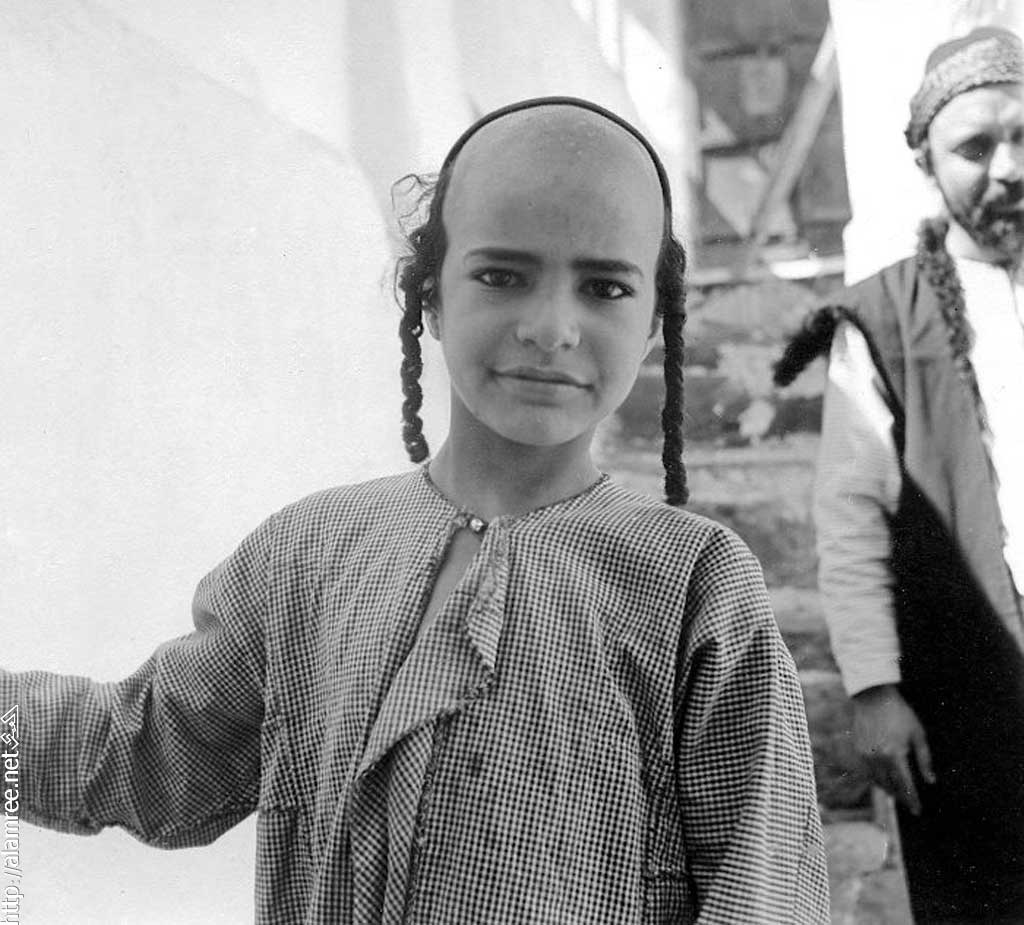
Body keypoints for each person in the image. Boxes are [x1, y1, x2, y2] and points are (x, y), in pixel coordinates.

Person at [3, 97, 828, 923]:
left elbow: (762, 893)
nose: (551, 328)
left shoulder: (693, 584)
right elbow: (141, 750)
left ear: (654, 322)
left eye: (604, 287)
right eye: (501, 276)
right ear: (429, 296)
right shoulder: (307, 554)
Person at [774, 27, 1024, 924]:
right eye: (975, 147)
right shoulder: (882, 319)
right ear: (926, 161)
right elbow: (850, 516)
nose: (1007, 169)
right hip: (972, 687)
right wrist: (875, 689)